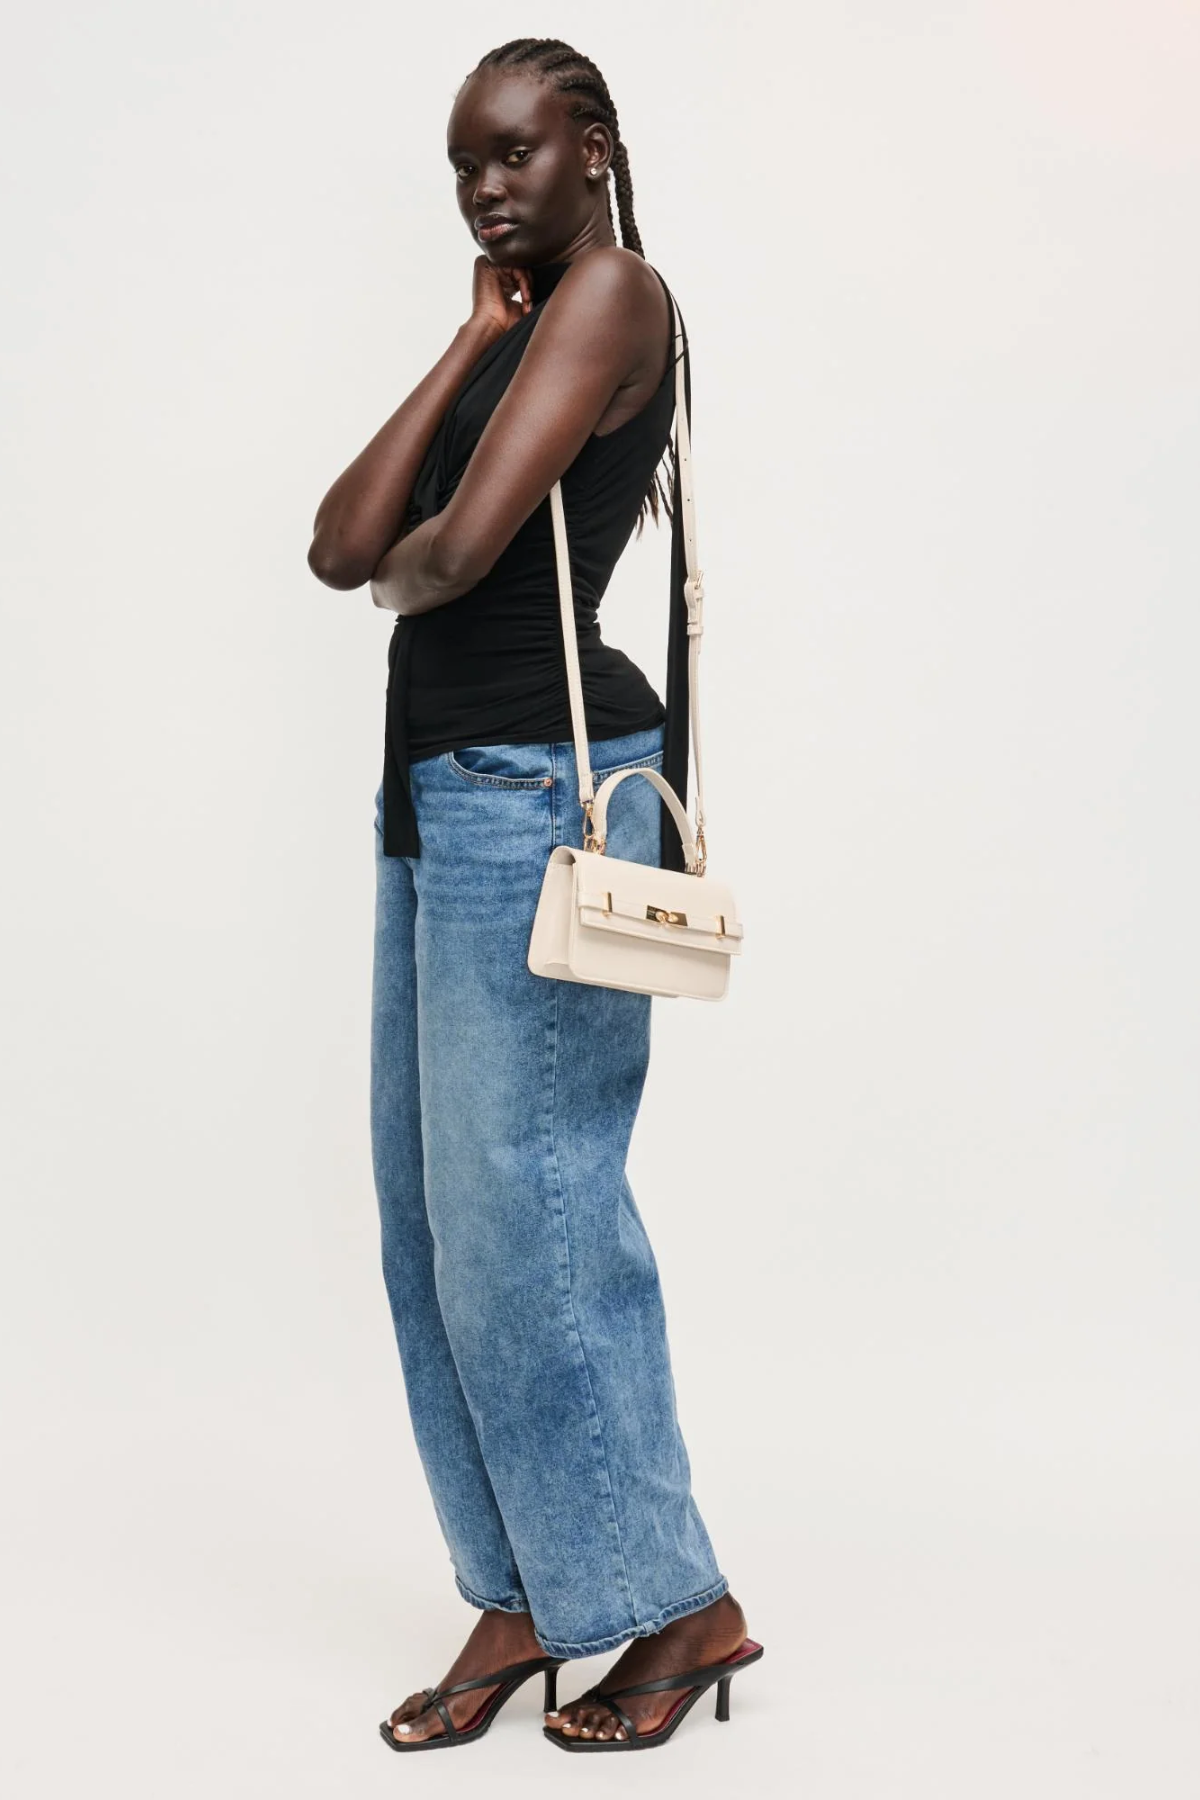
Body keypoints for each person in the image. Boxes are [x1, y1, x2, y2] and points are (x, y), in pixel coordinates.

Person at [308, 37, 761, 1754]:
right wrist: (467, 341)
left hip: (538, 798)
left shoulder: (621, 294)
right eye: (464, 168)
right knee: (433, 1226)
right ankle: (523, 1583)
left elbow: (457, 552)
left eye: (514, 154)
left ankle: (668, 1600)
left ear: (593, 147)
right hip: (436, 800)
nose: (489, 188)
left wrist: (416, 563)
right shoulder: (524, 319)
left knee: (543, 1222)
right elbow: (349, 547)